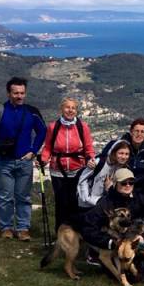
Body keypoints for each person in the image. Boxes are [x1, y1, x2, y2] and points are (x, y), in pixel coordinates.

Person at [0, 77, 47, 241]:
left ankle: (23, 229)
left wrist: (33, 151)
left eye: (22, 93)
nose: (19, 96)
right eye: (16, 93)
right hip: (3, 161)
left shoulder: (32, 112)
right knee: (5, 197)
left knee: (23, 196)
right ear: (8, 93)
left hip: (25, 161)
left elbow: (42, 131)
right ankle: (6, 228)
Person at [80, 168, 144, 280]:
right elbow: (87, 227)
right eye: (123, 183)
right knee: (130, 279)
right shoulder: (105, 202)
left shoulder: (139, 197)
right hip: (114, 243)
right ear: (115, 184)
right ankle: (111, 266)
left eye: (131, 182)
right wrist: (109, 242)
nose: (128, 185)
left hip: (134, 238)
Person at [39, 97, 95, 233]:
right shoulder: (54, 127)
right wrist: (43, 159)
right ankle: (60, 233)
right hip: (58, 170)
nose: (70, 110)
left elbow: (88, 147)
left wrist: (91, 159)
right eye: (67, 107)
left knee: (75, 203)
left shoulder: (82, 127)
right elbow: (48, 147)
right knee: (61, 203)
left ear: (76, 111)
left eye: (73, 108)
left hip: (77, 169)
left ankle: (76, 233)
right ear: (62, 109)